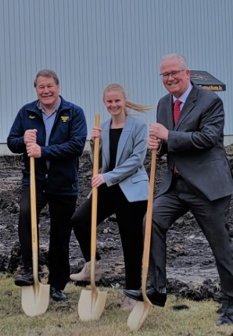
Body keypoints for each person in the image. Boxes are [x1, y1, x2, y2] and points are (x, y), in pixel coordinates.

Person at [125, 54, 233, 326]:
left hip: (207, 187)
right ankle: (158, 287)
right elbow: (169, 144)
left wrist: (168, 137)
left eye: (174, 73)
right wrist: (158, 144)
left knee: (220, 246)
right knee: (151, 220)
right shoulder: (163, 104)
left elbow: (207, 139)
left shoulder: (210, 101)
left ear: (186, 73)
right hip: (176, 185)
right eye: (164, 75)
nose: (169, 78)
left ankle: (232, 304)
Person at [7, 69, 87, 302]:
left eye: (49, 86)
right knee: (26, 215)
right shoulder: (27, 112)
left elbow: (76, 146)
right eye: (41, 87)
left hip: (64, 184)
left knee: (60, 235)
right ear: (36, 90)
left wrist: (43, 151)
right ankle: (29, 270)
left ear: (58, 87)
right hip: (35, 180)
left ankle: (56, 285)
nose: (46, 91)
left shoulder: (73, 113)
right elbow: (12, 142)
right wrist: (24, 140)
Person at [69, 84, 151, 310]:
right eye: (109, 102)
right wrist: (94, 143)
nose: (113, 105)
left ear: (124, 101)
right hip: (108, 187)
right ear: (104, 104)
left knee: (131, 242)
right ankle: (93, 264)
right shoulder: (102, 127)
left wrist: (108, 177)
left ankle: (133, 294)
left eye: (117, 101)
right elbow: (100, 163)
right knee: (80, 220)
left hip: (132, 191)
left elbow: (136, 161)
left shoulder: (138, 127)